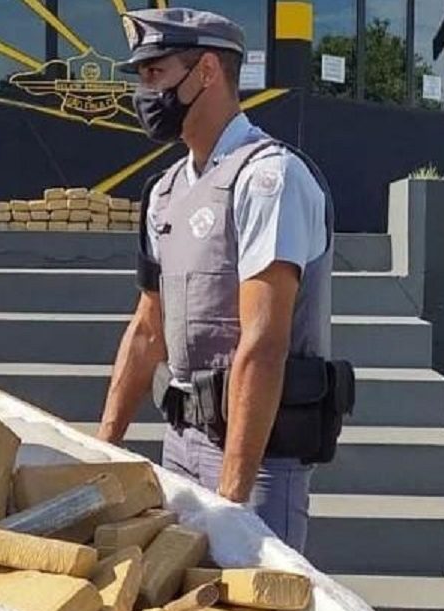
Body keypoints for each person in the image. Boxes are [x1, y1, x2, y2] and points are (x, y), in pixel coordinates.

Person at [97, 7, 346, 553]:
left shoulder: (268, 180)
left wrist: (232, 499)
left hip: (257, 459)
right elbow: (147, 330)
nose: (144, 92)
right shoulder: (163, 192)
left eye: (155, 74)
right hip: (181, 444)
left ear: (206, 71)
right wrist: (103, 452)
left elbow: (263, 343)